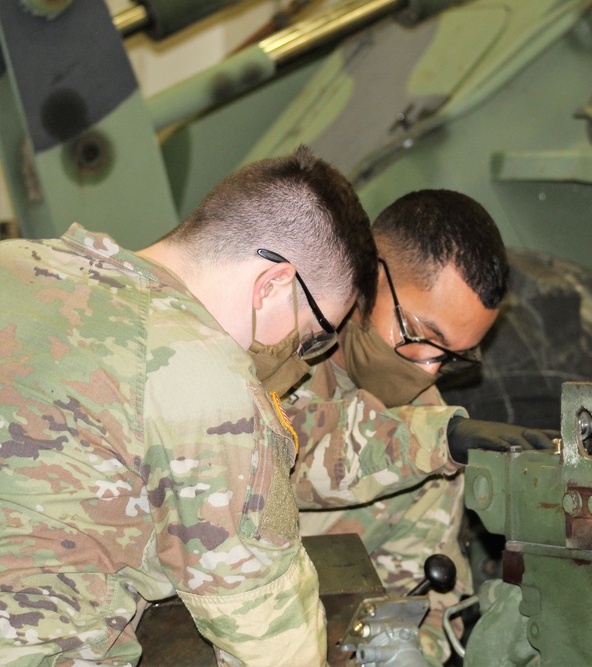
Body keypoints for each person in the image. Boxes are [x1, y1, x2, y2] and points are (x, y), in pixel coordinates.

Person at [0, 146, 378, 666]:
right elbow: (271, 641)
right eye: (310, 335)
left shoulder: (16, 264)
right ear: (273, 286)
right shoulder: (205, 375)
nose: (300, 358)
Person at [284, 189, 553, 664]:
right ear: (367, 271)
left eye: (451, 357)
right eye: (421, 335)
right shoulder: (272, 346)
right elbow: (274, 455)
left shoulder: (427, 416)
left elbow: (422, 597)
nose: (427, 369)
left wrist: (403, 647)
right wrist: (437, 439)